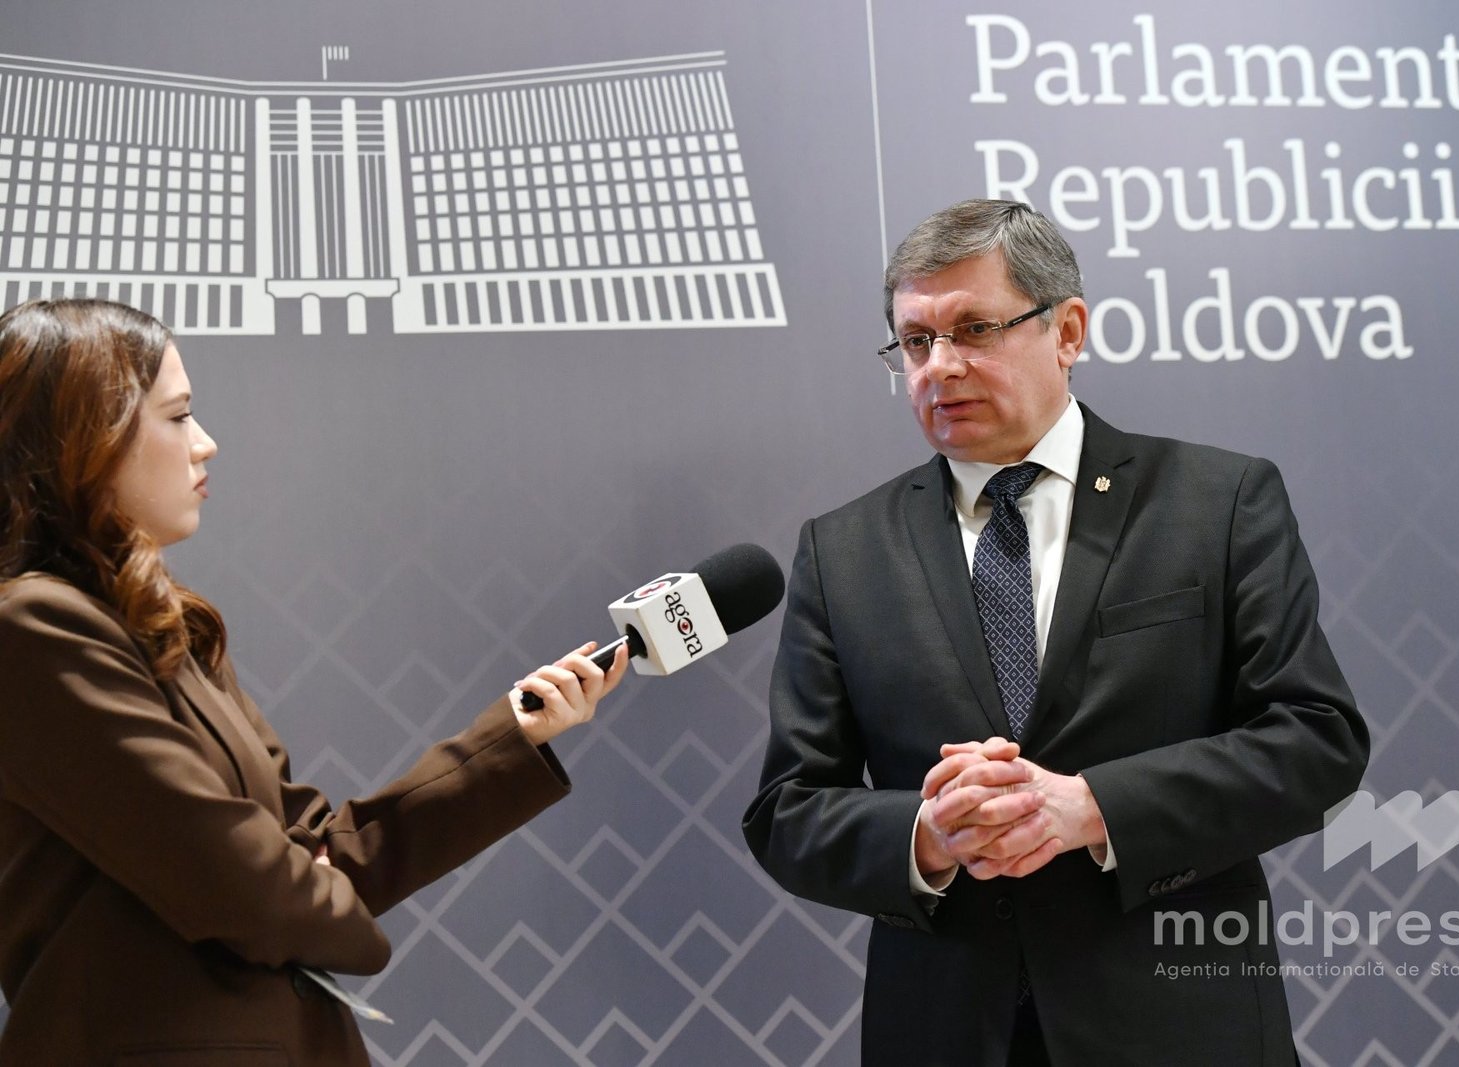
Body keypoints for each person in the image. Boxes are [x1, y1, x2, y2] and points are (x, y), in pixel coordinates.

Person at [742, 199, 1369, 1066]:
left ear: (1067, 330)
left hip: (1181, 1029)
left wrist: (1092, 807)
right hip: (948, 1032)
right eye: (915, 342)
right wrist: (926, 836)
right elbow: (788, 811)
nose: (939, 367)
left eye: (974, 329)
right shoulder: (843, 551)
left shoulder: (1216, 504)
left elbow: (1316, 743)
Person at [0, 298, 627, 1064]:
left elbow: (315, 852)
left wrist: (516, 735)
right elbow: (235, 880)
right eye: (177, 416)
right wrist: (310, 895)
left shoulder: (174, 632)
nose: (205, 444)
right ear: (88, 441)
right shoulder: (34, 626)